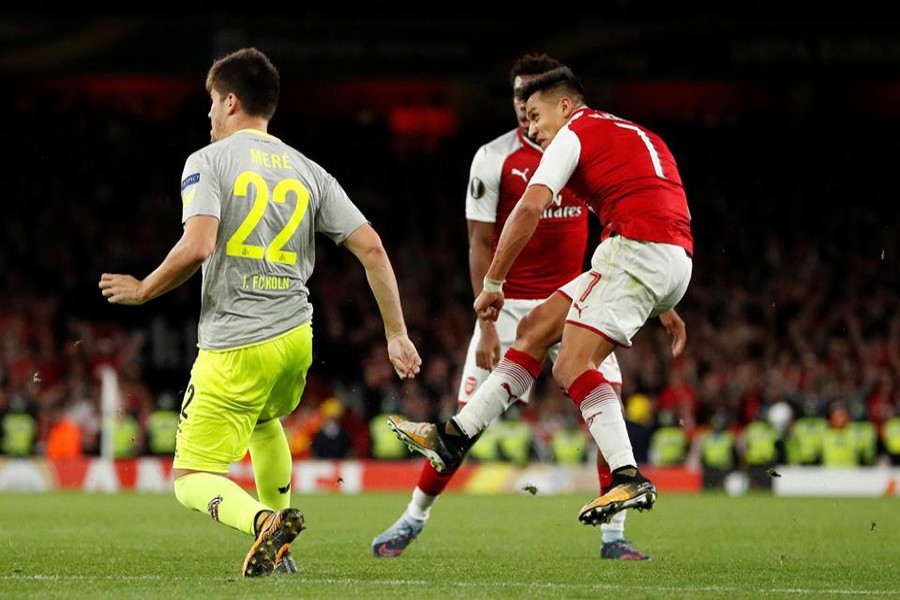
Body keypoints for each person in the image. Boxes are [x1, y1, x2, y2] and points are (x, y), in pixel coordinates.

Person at [99, 47, 421, 578]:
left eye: (210, 103)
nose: (207, 116)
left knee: (189, 477)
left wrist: (143, 290)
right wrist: (396, 334)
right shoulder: (308, 168)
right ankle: (285, 552)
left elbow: (198, 245)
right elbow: (373, 249)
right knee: (266, 422)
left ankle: (264, 523)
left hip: (235, 343)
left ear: (229, 102)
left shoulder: (208, 161)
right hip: (296, 338)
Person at [374, 53, 677, 560]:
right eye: (519, 101)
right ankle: (412, 517)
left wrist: (657, 298)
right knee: (470, 422)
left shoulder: (575, 146)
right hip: (509, 305)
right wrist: (486, 320)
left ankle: (615, 536)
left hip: (582, 291)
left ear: (559, 103)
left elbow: (621, 214)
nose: (525, 114)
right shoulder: (494, 158)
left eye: (533, 105)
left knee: (605, 407)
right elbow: (479, 241)